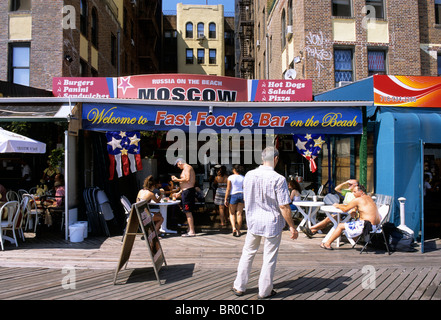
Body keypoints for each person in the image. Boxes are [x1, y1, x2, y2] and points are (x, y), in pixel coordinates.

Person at [232, 147, 298, 299]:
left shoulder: (249, 175)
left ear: (262, 158)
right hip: (272, 222)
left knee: (247, 253)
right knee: (269, 257)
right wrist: (292, 226)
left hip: (254, 220)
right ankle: (264, 291)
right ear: (276, 159)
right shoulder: (279, 179)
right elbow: (283, 205)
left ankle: (239, 286)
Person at [320, 184, 381, 250]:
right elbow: (360, 206)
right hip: (376, 226)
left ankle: (327, 244)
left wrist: (337, 205)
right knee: (352, 222)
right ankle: (356, 240)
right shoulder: (369, 197)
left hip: (367, 225)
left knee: (340, 225)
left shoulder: (358, 200)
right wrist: (355, 209)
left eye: (354, 192)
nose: (353, 193)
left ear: (361, 192)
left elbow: (345, 209)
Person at [172, 158, 196, 237]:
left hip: (188, 192)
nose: (178, 167)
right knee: (187, 211)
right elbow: (187, 184)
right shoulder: (187, 168)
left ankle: (192, 231)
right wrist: (179, 192)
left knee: (187, 211)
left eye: (177, 165)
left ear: (180, 163)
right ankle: (189, 229)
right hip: (186, 191)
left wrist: (177, 180)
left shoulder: (187, 167)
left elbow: (187, 179)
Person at [224, 164, 245, 237]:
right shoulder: (243, 177)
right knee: (239, 214)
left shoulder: (230, 177)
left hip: (233, 195)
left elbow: (228, 189)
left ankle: (233, 228)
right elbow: (245, 188)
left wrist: (225, 198)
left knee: (232, 213)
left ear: (234, 170)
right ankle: (238, 230)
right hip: (241, 195)